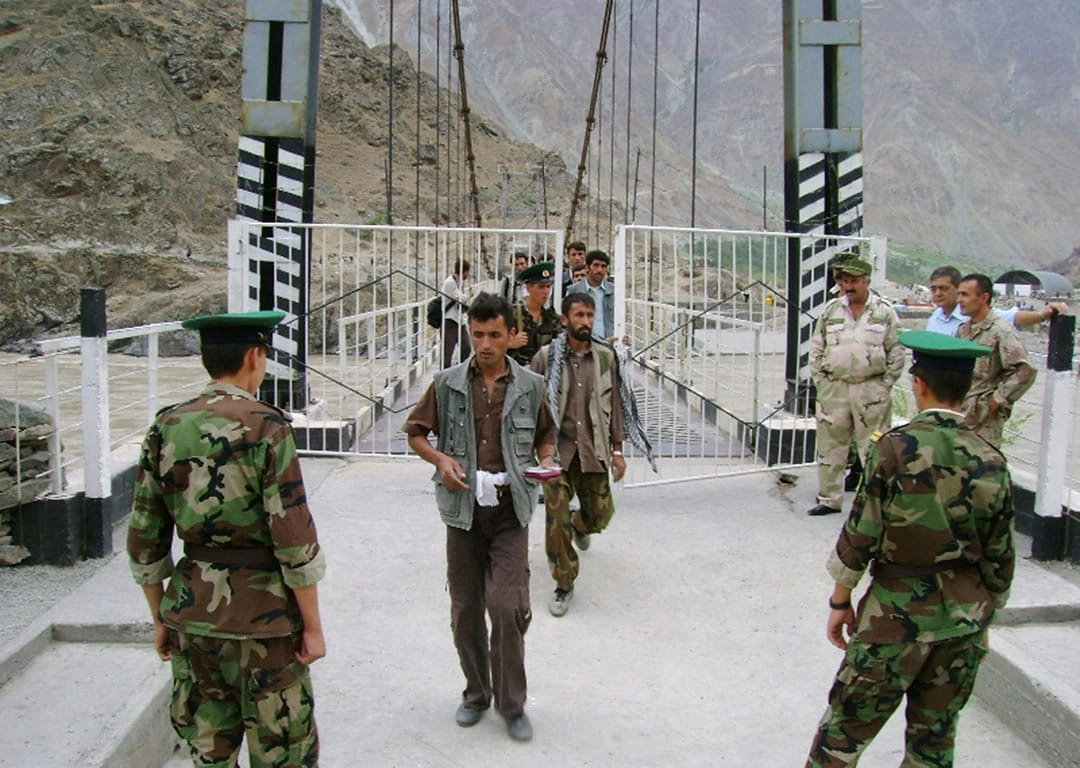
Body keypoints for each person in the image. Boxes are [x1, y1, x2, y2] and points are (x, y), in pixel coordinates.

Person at [805, 329, 1015, 768]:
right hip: (963, 625)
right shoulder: (991, 458)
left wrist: (840, 601)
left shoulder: (894, 450)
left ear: (918, 385)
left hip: (892, 622)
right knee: (934, 745)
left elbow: (860, 537)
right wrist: (981, 615)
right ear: (967, 388)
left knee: (841, 738)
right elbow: (1000, 559)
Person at [127, 310, 326, 767]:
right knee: (283, 751)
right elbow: (294, 540)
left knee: (208, 750)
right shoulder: (267, 427)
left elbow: (144, 539)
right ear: (256, 356)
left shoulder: (167, 425)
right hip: (267, 623)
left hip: (193, 616)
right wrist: (312, 627)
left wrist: (161, 616)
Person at [403, 292, 559, 743]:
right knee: (466, 609)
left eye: (494, 335)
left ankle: (512, 704)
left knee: (507, 608)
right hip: (463, 512)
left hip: (511, 511)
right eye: (477, 335)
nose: (485, 344)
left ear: (512, 335)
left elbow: (546, 436)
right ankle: (476, 694)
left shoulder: (530, 385)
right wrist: (439, 460)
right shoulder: (448, 382)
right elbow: (415, 432)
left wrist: (545, 461)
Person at [529, 293, 627, 617]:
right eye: (579, 315)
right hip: (555, 453)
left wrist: (617, 451)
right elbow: (529, 404)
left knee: (601, 514)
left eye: (590, 315)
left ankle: (581, 525)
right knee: (555, 522)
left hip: (592, 451)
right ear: (565, 320)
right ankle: (564, 583)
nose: (585, 321)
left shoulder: (605, 358)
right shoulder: (545, 358)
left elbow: (615, 408)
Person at [808, 258, 904, 516]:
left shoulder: (884, 312)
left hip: (870, 391)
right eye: (844, 281)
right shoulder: (831, 311)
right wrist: (823, 383)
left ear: (867, 282)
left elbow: (896, 350)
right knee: (830, 446)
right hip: (835, 390)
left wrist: (884, 386)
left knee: (875, 448)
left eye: (853, 281)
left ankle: (876, 505)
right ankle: (829, 499)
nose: (848, 286)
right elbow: (817, 348)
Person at [954, 273, 1037, 446]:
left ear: (984, 297)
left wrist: (996, 401)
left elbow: (1025, 371)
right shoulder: (963, 330)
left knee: (983, 468)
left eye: (965, 295)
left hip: (984, 421)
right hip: (961, 413)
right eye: (959, 294)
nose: (959, 300)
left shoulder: (1000, 331)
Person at [926, 265, 1068, 335]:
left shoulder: (975, 314)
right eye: (934, 289)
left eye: (943, 288)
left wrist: (1043, 315)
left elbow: (1014, 317)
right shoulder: (935, 317)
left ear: (958, 288)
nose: (938, 293)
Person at [507, 262, 562, 367]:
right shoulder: (512, 314)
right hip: (518, 373)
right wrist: (509, 344)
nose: (546, 292)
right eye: (541, 287)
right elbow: (492, 344)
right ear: (529, 288)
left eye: (548, 286)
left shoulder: (551, 318)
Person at [566, 250, 616, 343]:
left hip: (610, 344)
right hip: (583, 345)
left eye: (603, 266)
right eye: (596, 265)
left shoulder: (614, 291)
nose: (600, 270)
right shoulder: (574, 291)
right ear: (587, 268)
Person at [442, 258, 473, 368]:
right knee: (447, 353)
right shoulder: (450, 283)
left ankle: (458, 369)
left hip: (460, 320)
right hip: (450, 320)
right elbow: (458, 299)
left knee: (466, 347)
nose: (468, 274)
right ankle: (444, 376)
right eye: (468, 271)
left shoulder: (460, 282)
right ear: (464, 271)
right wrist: (469, 295)